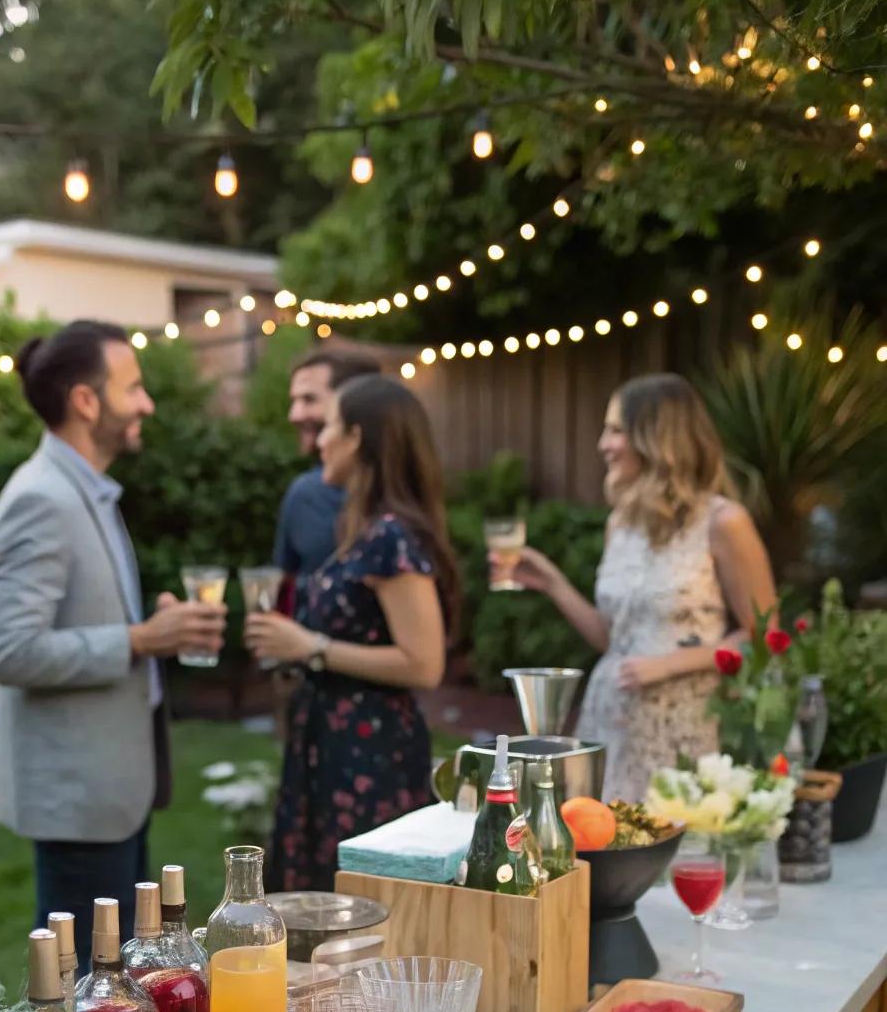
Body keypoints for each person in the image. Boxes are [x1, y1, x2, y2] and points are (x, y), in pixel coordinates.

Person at [0, 320, 226, 968]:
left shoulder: (85, 490)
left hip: (114, 794)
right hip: (79, 806)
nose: (148, 403)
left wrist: (156, 630)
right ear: (87, 402)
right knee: (88, 991)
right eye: (133, 387)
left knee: (117, 983)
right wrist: (141, 638)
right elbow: (10, 651)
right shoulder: (42, 499)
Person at [495, 373, 776, 800]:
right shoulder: (622, 522)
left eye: (615, 430)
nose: (602, 444)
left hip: (684, 730)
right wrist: (552, 583)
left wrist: (669, 665)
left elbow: (766, 637)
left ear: (656, 439)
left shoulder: (724, 522)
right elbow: (612, 638)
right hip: (608, 721)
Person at [246, 374, 459, 890]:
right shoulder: (361, 529)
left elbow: (424, 663)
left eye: (329, 426)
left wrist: (312, 647)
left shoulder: (390, 536)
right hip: (326, 741)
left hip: (368, 752)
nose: (319, 440)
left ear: (357, 437)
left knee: (356, 904)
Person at [274, 348, 381, 587]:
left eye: (309, 399)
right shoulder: (305, 494)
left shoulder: (399, 503)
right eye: (294, 401)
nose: (294, 415)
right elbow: (286, 588)